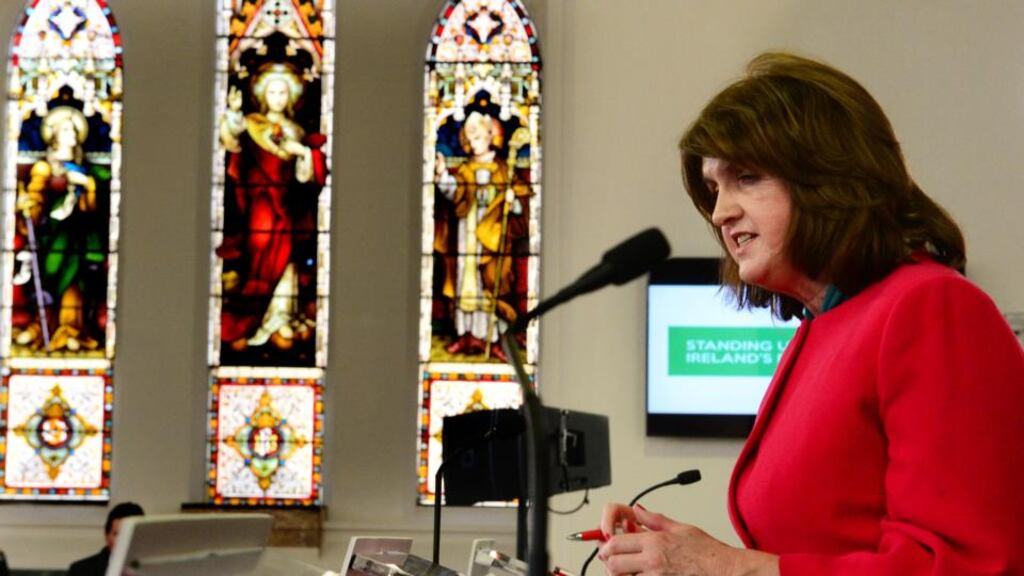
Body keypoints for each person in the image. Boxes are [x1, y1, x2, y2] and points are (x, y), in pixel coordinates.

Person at [597, 52, 1024, 575]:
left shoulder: (931, 306)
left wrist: (731, 568)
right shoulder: (821, 328)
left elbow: (964, 563)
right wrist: (692, 552)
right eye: (714, 189)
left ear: (827, 178)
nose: (720, 212)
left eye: (747, 177)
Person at [217, 62, 327, 356]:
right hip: (260, 204)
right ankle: (256, 322)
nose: (278, 97)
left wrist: (304, 155)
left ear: (290, 97)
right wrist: (231, 114)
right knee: (259, 250)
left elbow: (306, 177)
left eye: (283, 92)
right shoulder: (253, 123)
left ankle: (281, 317)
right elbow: (232, 143)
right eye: (273, 91)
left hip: (287, 206)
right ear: (263, 95)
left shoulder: (296, 130)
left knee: (287, 260)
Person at [435, 91, 533, 362]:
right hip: (467, 235)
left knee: (490, 285)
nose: (475, 142)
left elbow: (519, 204)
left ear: (492, 136)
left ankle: (491, 337)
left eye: (479, 136)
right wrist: (443, 175)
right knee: (465, 285)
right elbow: (454, 194)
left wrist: (513, 202)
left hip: (493, 238)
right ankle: (466, 335)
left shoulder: (504, 169)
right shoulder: (465, 169)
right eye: (471, 137)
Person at [13, 105, 104, 354]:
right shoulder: (44, 168)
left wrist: (87, 185)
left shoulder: (85, 170)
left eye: (74, 128)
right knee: (49, 284)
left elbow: (93, 208)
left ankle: (72, 330)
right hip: (51, 237)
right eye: (66, 128)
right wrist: (28, 208)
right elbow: (36, 199)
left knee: (74, 286)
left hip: (79, 238)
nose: (72, 132)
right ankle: (40, 327)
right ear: (53, 135)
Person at [68, 501, 144, 576]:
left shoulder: (153, 568)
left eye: (131, 535)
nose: (124, 541)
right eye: (117, 535)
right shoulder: (80, 571)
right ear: (106, 535)